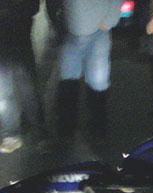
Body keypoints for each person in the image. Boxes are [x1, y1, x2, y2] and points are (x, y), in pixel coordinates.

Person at [56, 0, 124, 139]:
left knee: (92, 80)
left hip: (91, 29)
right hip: (78, 29)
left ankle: (90, 126)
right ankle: (79, 126)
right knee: (79, 79)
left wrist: (108, 22)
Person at [0, 0, 44, 154]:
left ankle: (39, 133)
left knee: (28, 90)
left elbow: (33, 7)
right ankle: (12, 134)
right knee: (4, 92)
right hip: (17, 38)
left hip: (20, 39)